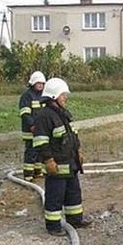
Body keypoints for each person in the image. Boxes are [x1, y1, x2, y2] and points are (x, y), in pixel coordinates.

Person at [33, 77, 91, 236]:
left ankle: (75, 220)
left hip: (70, 163)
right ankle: (53, 226)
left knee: (73, 194)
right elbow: (40, 141)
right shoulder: (44, 116)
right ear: (53, 96)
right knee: (55, 196)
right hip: (57, 166)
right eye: (62, 94)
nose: (65, 97)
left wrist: (78, 150)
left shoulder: (64, 113)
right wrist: (48, 160)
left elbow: (73, 134)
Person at [18, 71, 46, 181]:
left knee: (40, 151)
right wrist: (32, 125)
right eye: (38, 83)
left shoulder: (44, 96)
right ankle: (28, 174)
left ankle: (38, 172)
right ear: (33, 83)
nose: (40, 85)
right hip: (30, 130)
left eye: (42, 83)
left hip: (41, 129)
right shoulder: (27, 96)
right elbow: (25, 113)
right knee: (31, 151)